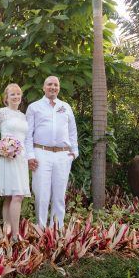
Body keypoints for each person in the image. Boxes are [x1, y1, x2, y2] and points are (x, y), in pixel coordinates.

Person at [24, 75, 78, 228]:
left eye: (55, 85)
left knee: (59, 195)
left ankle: (57, 230)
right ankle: (41, 229)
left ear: (59, 88)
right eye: (49, 84)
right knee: (41, 195)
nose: (53, 87)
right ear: (43, 87)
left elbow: (73, 131)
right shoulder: (34, 107)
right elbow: (28, 134)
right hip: (41, 153)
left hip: (63, 155)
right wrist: (30, 156)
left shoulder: (66, 107)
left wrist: (74, 153)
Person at [0, 83, 30, 240]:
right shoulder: (2, 113)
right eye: (12, 94)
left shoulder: (23, 116)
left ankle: (6, 234)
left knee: (12, 197)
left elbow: (26, 139)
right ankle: (15, 236)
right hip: (6, 159)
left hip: (20, 160)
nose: (16, 97)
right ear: (6, 98)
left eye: (18, 94)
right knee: (16, 196)